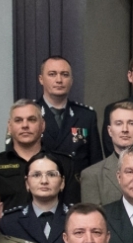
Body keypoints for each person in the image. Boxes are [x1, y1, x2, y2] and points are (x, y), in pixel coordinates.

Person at [0, 100, 76, 209]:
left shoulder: (65, 164)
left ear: (42, 125)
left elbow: (73, 211)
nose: (25, 125)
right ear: (9, 127)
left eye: (31, 119)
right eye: (18, 120)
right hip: (7, 226)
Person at [33, 54, 100, 182]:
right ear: (41, 79)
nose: (59, 80)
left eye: (65, 74)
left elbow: (95, 164)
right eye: (52, 74)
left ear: (71, 80)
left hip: (76, 192)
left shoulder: (86, 116)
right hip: (40, 188)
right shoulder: (29, 114)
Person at [0, 151, 73, 243]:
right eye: (36, 175)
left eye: (51, 174)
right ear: (27, 183)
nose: (44, 181)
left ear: (62, 182)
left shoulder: (77, 217)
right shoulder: (8, 222)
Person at [80, 102, 133, 208]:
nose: (125, 129)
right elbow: (93, 221)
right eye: (119, 123)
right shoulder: (92, 175)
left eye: (131, 123)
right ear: (110, 131)